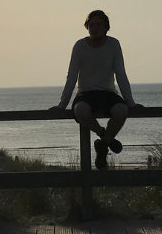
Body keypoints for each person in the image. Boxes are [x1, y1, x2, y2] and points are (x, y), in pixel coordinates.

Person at [50, 10, 143, 170]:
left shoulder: (114, 44)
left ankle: (102, 146)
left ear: (106, 27)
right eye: (91, 25)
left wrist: (131, 102)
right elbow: (71, 76)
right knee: (81, 110)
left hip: (108, 93)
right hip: (85, 94)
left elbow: (121, 74)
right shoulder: (80, 46)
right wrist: (62, 105)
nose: (94, 28)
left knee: (121, 111)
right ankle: (105, 137)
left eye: (98, 24)